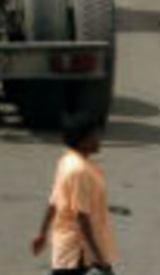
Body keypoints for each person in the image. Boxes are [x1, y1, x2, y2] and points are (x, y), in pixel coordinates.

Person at [31, 112, 118, 275]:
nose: (99, 139)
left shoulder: (67, 161)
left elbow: (54, 201)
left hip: (66, 250)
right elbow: (82, 216)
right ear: (83, 140)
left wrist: (42, 233)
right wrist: (99, 258)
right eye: (95, 135)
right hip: (78, 253)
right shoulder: (80, 171)